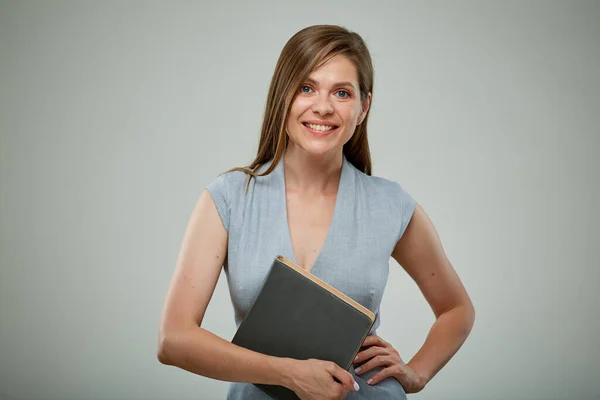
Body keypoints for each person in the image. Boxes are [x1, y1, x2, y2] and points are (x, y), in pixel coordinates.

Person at [157, 24, 475, 399]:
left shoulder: (391, 204)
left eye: (342, 93)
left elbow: (456, 309)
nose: (323, 106)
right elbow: (174, 339)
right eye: (306, 88)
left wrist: (417, 373)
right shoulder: (228, 198)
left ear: (363, 107)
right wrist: (288, 373)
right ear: (282, 97)